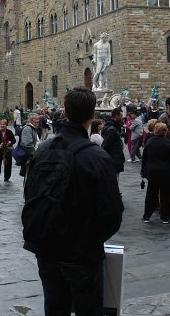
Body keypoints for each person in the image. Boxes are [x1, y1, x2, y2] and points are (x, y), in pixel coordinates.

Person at [24, 87, 123, 316]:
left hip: (47, 251)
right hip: (82, 255)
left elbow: (30, 195)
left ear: (65, 112)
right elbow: (112, 213)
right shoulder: (97, 157)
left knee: (55, 309)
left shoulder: (43, 151)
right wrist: (88, 240)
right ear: (92, 114)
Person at [141, 122, 170, 224]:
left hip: (152, 172)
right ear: (165, 131)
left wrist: (143, 171)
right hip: (166, 173)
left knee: (150, 195)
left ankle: (147, 216)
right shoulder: (168, 143)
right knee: (165, 195)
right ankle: (165, 217)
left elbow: (144, 158)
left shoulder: (149, 142)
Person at [100, 108, 126, 179]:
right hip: (113, 160)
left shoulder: (114, 127)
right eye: (121, 115)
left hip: (114, 159)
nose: (122, 117)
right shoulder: (111, 130)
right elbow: (106, 146)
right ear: (116, 116)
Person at [18, 113, 40, 177]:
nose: (38, 121)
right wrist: (34, 154)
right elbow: (27, 144)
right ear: (32, 120)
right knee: (28, 175)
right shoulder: (27, 129)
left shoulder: (32, 128)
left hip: (32, 156)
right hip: (29, 157)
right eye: (37, 119)